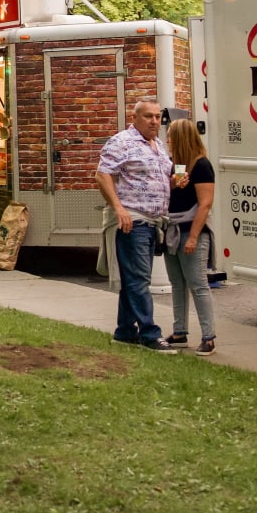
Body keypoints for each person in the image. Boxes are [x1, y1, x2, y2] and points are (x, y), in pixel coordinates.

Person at [94, 98, 177, 354]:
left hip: (154, 223)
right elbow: (102, 174)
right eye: (148, 116)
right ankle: (150, 334)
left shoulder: (159, 145)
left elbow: (159, 180)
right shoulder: (122, 142)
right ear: (136, 118)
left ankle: (125, 332)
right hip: (134, 220)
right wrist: (119, 209)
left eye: (157, 117)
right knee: (140, 280)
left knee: (134, 280)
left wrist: (174, 184)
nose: (154, 121)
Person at [163, 118, 217, 355]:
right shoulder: (176, 165)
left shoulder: (201, 165)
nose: (167, 141)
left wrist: (194, 237)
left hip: (191, 232)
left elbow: (205, 204)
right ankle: (179, 332)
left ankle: (209, 336)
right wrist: (172, 186)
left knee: (198, 284)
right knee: (177, 283)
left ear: (182, 138)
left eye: (170, 137)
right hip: (172, 230)